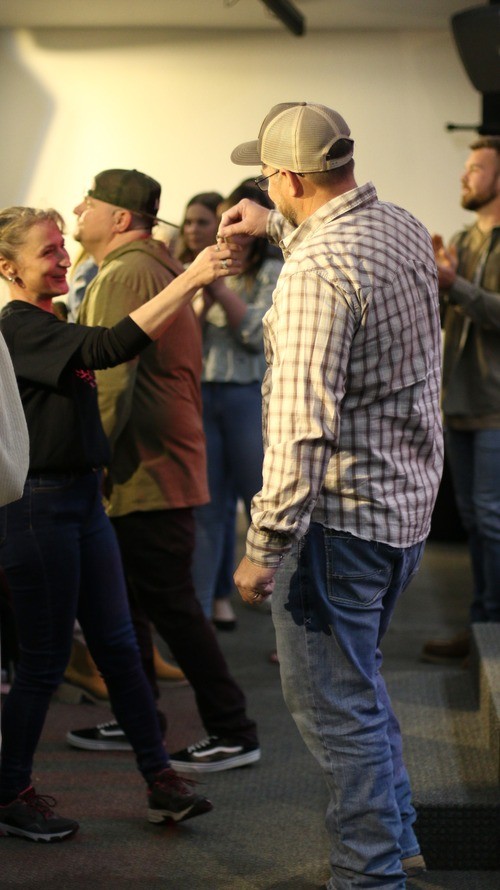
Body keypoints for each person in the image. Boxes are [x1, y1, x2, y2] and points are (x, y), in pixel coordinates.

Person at [218, 102, 443, 889]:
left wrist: (262, 549)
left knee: (338, 712)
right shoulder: (399, 226)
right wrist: (273, 228)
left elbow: (301, 430)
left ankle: (370, 876)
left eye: (267, 178)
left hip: (337, 525)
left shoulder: (315, 274)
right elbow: (334, 251)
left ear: (286, 178)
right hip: (401, 511)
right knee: (360, 688)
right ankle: (399, 840)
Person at [0, 203, 238, 841]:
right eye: (48, 251)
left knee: (121, 648)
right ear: (8, 268)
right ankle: (11, 793)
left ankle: (161, 781)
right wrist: (192, 278)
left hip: (81, 502)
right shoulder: (17, 329)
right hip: (40, 508)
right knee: (44, 662)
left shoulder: (52, 320)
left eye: (62, 245)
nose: (63, 257)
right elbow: (110, 348)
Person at [65, 169, 260, 774]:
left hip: (146, 467)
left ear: (120, 218)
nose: (77, 211)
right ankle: (138, 716)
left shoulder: (128, 272)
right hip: (150, 463)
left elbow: (110, 377)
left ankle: (233, 728)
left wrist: (88, 457)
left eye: (89, 204)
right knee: (134, 602)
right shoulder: (147, 266)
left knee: (171, 605)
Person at [188, 183, 282, 628]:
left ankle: (292, 627)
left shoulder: (273, 271)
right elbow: (189, 337)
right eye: (226, 220)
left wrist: (218, 288)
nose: (229, 231)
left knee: (261, 507)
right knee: (206, 510)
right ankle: (202, 614)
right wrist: (200, 288)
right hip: (204, 395)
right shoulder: (210, 265)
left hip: (247, 397)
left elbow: (255, 334)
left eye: (239, 221)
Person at [422, 136, 500, 664]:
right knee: (474, 522)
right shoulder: (461, 239)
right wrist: (434, 284)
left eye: (475, 168)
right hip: (460, 401)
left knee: (491, 520)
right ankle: (481, 629)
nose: (464, 176)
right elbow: (449, 319)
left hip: (495, 405)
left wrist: (455, 284)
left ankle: (489, 631)